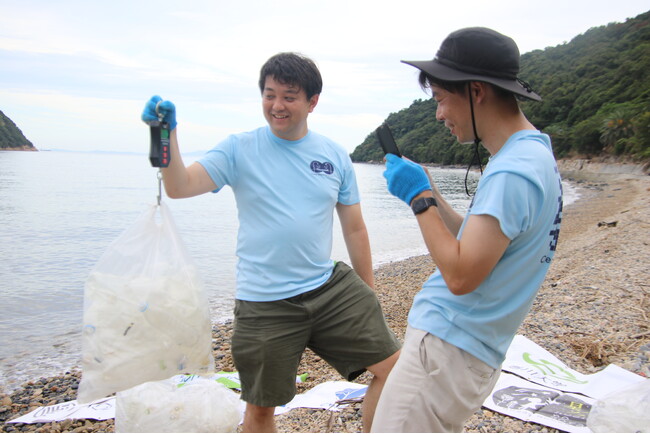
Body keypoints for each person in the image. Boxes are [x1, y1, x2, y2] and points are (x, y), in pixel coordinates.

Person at [141, 52, 400, 433]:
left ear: (312, 102)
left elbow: (355, 229)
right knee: (261, 410)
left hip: (329, 288)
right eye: (269, 94)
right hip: (264, 302)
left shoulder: (334, 156)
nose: (277, 106)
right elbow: (179, 186)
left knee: (396, 371)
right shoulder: (237, 148)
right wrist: (165, 134)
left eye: (289, 96)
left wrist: (369, 289)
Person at [371, 27, 563, 432]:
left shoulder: (514, 169)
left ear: (476, 92)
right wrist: (432, 190)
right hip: (464, 350)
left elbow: (460, 275)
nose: (438, 114)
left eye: (441, 99)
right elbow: (477, 245)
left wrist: (418, 198)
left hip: (448, 348)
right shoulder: (531, 155)